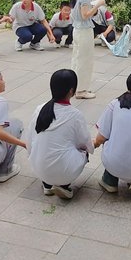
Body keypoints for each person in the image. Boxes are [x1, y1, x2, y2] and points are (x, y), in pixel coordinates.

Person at [24, 69, 94, 199]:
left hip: (39, 168)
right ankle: (64, 185)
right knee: (84, 151)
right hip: (62, 172)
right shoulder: (75, 114)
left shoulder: (40, 108)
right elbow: (86, 144)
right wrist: (91, 147)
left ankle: (47, 184)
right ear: (71, 91)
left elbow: (30, 139)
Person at [70, 0, 106, 99]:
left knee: (77, 59)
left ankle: (75, 87)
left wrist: (94, 2)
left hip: (77, 29)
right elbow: (85, 15)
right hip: (84, 31)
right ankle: (81, 90)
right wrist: (98, 4)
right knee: (85, 60)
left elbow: (80, 11)